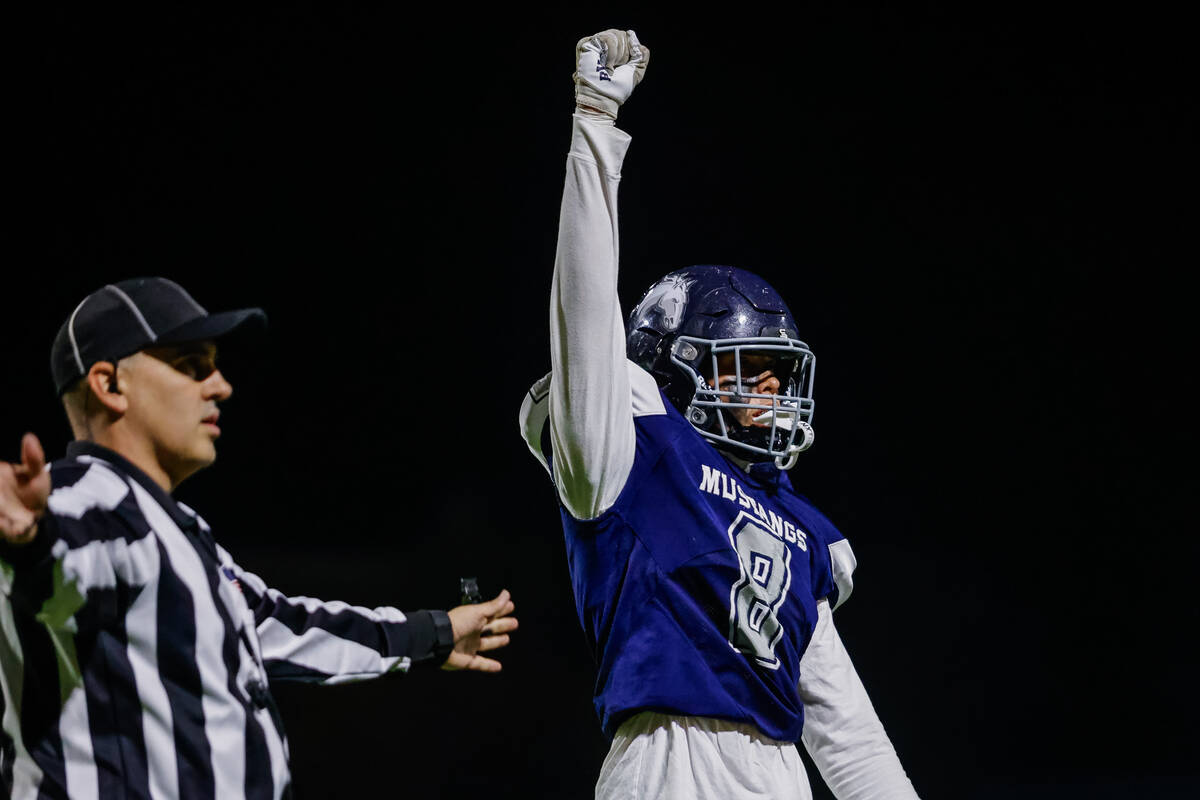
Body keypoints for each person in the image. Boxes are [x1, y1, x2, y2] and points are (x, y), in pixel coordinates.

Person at [518, 30, 919, 799]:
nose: (771, 390)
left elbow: (854, 743)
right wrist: (595, 125)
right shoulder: (633, 452)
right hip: (668, 765)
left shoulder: (803, 531)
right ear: (674, 365)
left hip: (778, 773)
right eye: (748, 370)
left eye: (779, 372)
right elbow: (584, 311)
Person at [0, 277, 517, 799]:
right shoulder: (88, 501)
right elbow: (55, 569)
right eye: (191, 366)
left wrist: (435, 633)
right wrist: (24, 543)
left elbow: (282, 623)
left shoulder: (171, 529)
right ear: (110, 385)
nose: (220, 386)